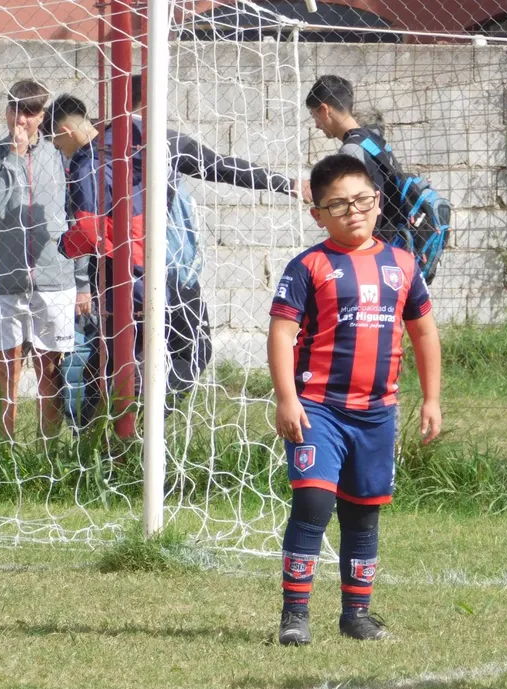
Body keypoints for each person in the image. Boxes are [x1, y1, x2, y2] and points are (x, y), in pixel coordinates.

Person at [46, 89, 306, 423]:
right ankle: (123, 427)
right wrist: (286, 183)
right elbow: (221, 166)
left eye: (56, 145)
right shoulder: (152, 137)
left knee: (127, 356)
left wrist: (65, 247)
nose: (59, 152)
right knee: (175, 351)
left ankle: (131, 422)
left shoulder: (85, 165)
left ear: (66, 132)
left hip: (128, 281)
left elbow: (84, 232)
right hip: (173, 272)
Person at [268, 154, 442, 646]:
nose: (353, 211)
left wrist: (431, 399)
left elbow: (424, 333)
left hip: (376, 413)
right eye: (338, 204)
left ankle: (356, 614)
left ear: (378, 201)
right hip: (318, 408)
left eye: (362, 200)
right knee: (314, 502)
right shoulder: (308, 266)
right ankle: (294, 615)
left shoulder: (402, 265)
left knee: (363, 512)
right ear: (317, 213)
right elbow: (281, 334)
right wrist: (287, 398)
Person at [0, 80, 90, 440]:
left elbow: (78, 221)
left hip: (55, 279)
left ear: (42, 116)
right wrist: (13, 155)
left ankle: (48, 452)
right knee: (5, 368)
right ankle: (1, 452)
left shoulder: (60, 154)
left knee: (49, 369)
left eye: (29, 112)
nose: (20, 119)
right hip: (3, 281)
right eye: (14, 109)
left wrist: (83, 283)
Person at [305, 74, 405, 242]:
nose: (316, 125)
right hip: (392, 238)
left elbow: (353, 210)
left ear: (324, 109)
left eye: (315, 115)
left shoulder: (351, 151)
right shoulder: (372, 138)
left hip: (372, 243)